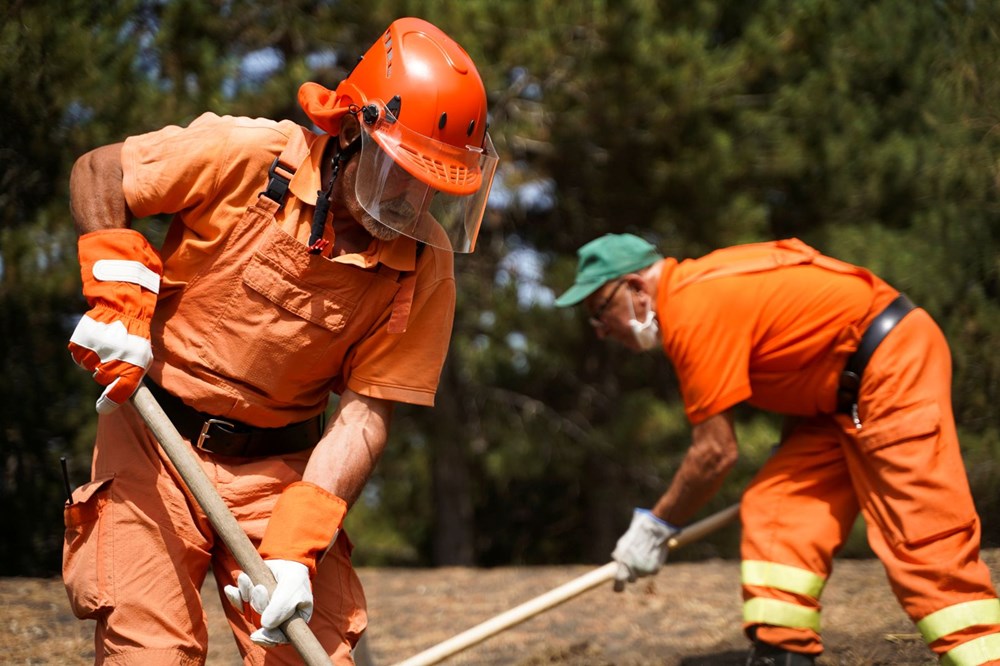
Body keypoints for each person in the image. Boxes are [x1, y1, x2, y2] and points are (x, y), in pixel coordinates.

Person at [62, 17, 498, 665]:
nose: (415, 199)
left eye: (435, 185)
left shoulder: (424, 265)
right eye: (401, 171)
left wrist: (296, 551)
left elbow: (362, 419)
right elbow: (101, 173)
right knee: (150, 652)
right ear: (352, 129)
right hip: (152, 442)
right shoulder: (246, 155)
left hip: (282, 472)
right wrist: (116, 295)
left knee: (304, 651)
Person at [555, 233, 1000, 666]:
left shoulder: (691, 308)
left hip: (888, 365)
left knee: (922, 534)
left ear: (635, 288)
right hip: (835, 398)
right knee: (777, 508)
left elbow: (714, 453)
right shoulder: (697, 291)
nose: (600, 331)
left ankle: (984, 653)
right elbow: (801, 349)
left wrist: (656, 526)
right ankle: (782, 653)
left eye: (600, 311)